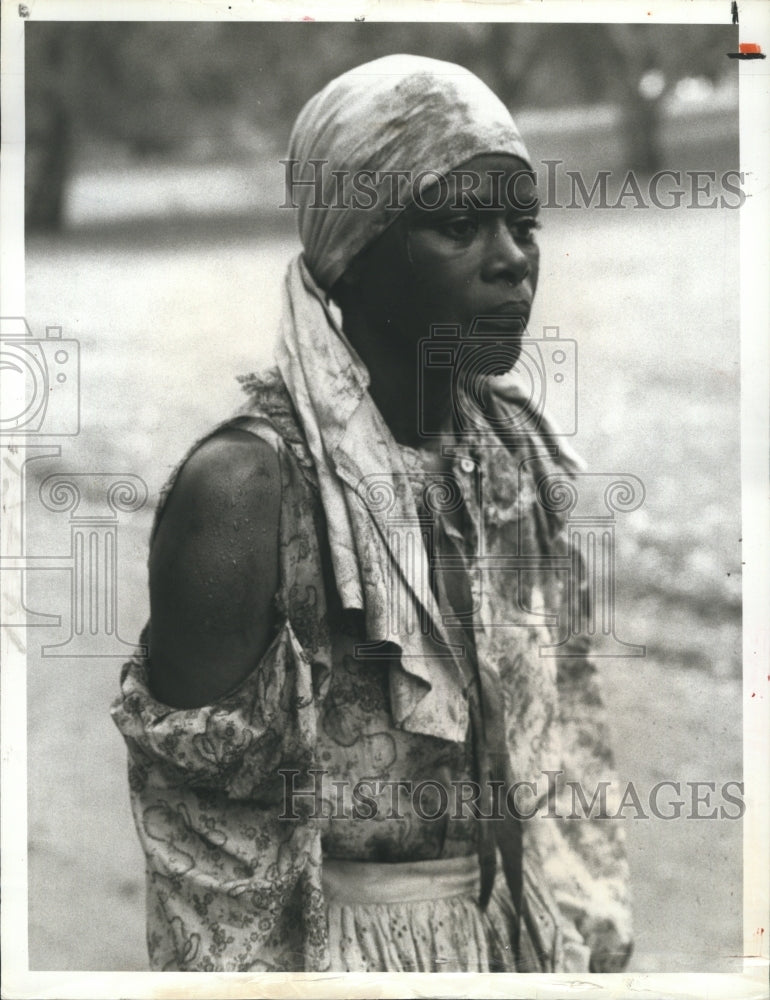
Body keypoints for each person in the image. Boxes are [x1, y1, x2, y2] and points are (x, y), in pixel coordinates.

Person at [112, 54, 632, 974]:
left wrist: (583, 938)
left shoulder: (510, 464)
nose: (511, 260)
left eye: (524, 223)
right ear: (351, 252)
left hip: (508, 950)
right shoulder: (248, 492)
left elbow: (566, 750)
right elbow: (207, 855)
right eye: (460, 225)